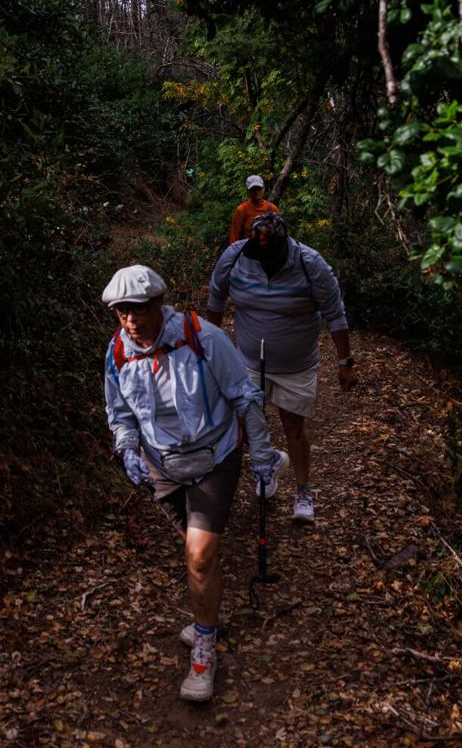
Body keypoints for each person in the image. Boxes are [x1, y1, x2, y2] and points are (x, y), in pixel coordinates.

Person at [102, 264, 288, 703]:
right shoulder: (117, 354)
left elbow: (244, 396)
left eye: (139, 308)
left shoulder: (202, 338)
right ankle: (211, 609)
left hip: (214, 458)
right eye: (122, 312)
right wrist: (127, 448)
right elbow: (120, 413)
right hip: (161, 468)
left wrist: (261, 455)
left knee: (200, 556)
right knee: (198, 553)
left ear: (158, 303)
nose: (131, 320)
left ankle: (204, 649)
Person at [206, 213, 357, 525]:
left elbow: (335, 313)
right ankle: (270, 462)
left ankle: (303, 492)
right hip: (247, 361)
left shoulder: (310, 264)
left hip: (296, 365)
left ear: (285, 245)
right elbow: (216, 299)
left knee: (292, 426)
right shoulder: (236, 258)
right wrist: (208, 350)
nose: (262, 260)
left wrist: (345, 363)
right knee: (243, 423)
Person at [228, 174, 281, 245]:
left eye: (259, 189)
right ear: (248, 191)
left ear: (263, 188)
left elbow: (280, 233)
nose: (257, 192)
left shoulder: (272, 208)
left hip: (269, 251)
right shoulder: (242, 210)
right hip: (247, 250)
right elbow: (234, 235)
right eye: (253, 189)